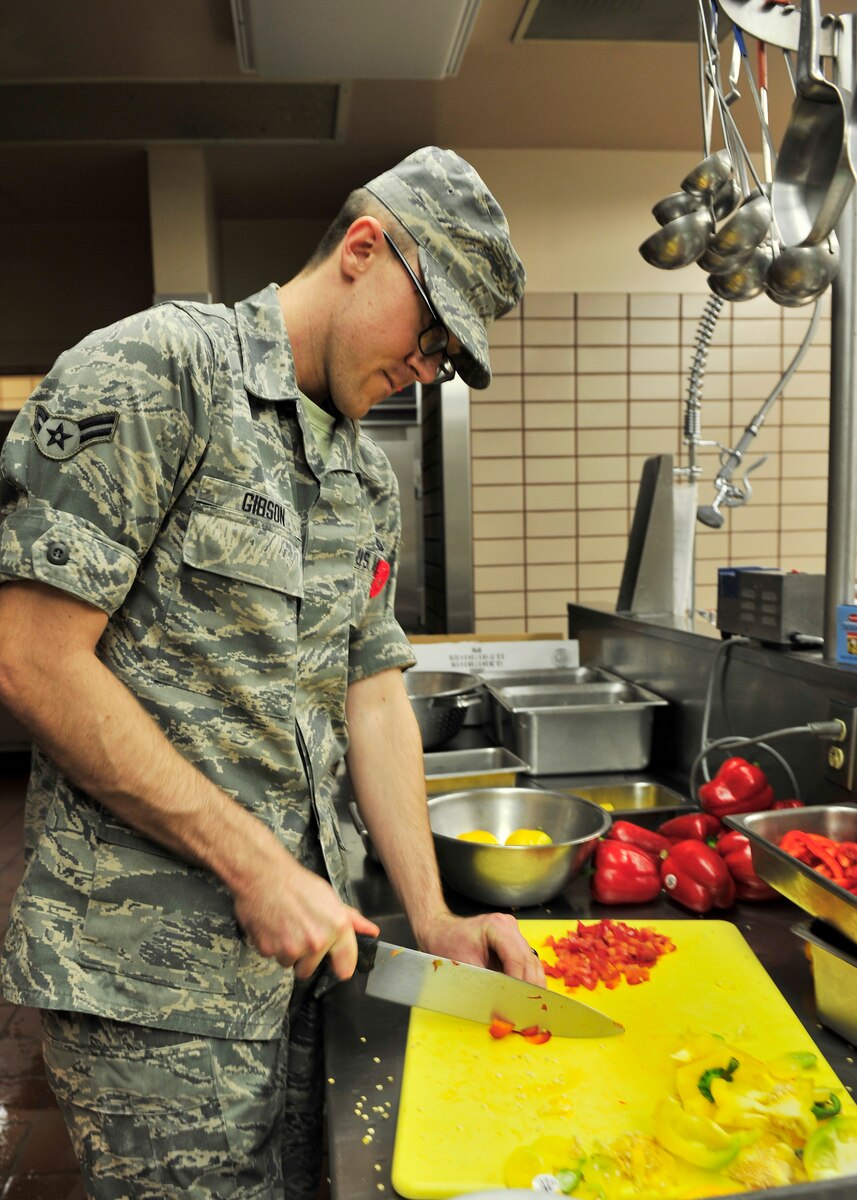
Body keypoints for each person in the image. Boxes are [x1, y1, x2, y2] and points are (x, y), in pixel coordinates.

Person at [0, 146, 543, 1199]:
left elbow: (372, 694)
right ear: (360, 248)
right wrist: (254, 867)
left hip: (309, 967)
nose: (427, 367)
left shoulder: (361, 478)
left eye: (450, 359)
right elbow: (29, 656)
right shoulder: (156, 372)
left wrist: (430, 919)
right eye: (430, 333)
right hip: (148, 987)